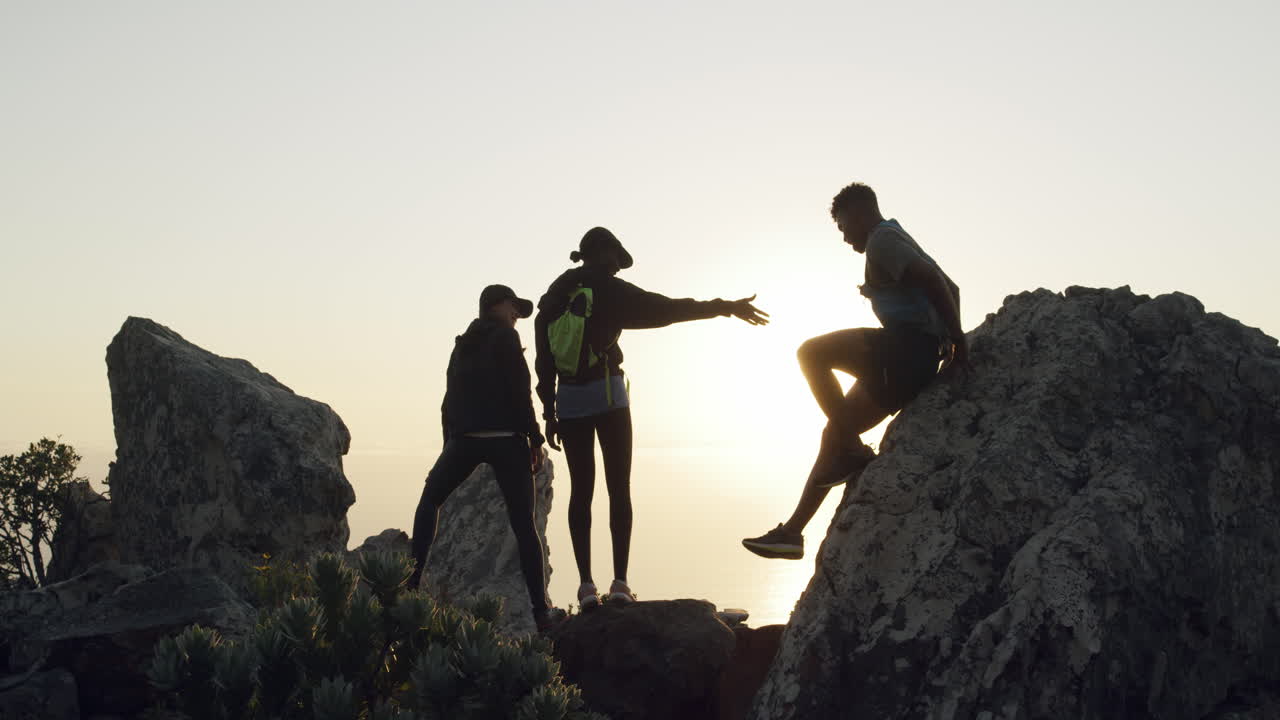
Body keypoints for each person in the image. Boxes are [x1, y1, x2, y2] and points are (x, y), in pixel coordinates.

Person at [535, 226, 769, 609]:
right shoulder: (610, 289)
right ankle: (621, 584)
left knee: (582, 492)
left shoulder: (556, 293)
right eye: (616, 258)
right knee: (618, 488)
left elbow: (543, 358)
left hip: (569, 401)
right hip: (608, 396)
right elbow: (669, 309)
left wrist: (548, 410)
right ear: (607, 254)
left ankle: (586, 587)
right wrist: (725, 306)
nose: (618, 266)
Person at [742, 182, 964, 560]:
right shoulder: (896, 238)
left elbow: (934, 281)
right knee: (835, 428)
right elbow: (951, 287)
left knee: (810, 353)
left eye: (845, 228)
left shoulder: (882, 239)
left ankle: (851, 450)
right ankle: (792, 533)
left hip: (905, 352)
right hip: (910, 359)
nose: (845, 238)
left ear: (862, 213)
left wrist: (958, 343)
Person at [409, 284, 562, 631]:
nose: (516, 316)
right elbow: (519, 388)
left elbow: (449, 397)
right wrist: (535, 437)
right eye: (513, 308)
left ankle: (410, 584)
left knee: (430, 500)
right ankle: (542, 611)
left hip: (465, 440)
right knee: (524, 524)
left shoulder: (463, 343)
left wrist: (450, 442)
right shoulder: (506, 339)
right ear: (495, 304)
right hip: (506, 440)